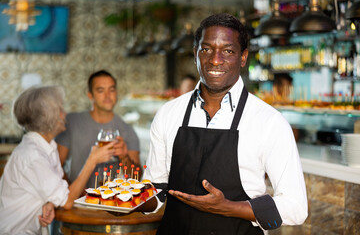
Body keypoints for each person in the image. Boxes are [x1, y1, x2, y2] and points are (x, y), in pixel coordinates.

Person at [143, 13, 308, 234]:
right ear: (195, 54)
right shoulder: (168, 114)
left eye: (228, 51)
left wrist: (229, 208)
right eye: (206, 49)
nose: (215, 59)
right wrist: (126, 201)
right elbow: (156, 189)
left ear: (243, 57)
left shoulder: (269, 122)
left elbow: (295, 207)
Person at [0, 86, 114, 234]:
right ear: (49, 117)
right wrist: (92, 161)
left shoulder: (47, 147)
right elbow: (67, 202)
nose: (65, 114)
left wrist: (51, 202)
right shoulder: (34, 157)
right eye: (60, 109)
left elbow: (57, 190)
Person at [56, 70, 140, 189]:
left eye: (111, 90)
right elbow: (56, 164)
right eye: (101, 90)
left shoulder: (127, 130)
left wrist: (124, 157)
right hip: (76, 203)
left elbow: (137, 177)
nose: (107, 96)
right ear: (90, 95)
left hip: (110, 201)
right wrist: (71, 193)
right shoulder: (72, 122)